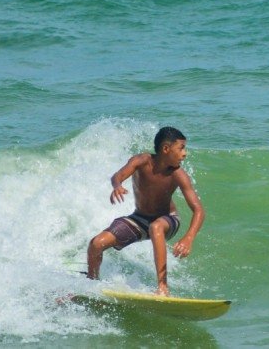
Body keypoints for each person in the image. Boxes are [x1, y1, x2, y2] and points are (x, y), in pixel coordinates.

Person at [86, 126, 205, 296]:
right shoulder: (141, 161)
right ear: (166, 149)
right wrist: (117, 186)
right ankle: (91, 283)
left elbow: (199, 210)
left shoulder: (178, 174)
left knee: (156, 227)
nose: (185, 153)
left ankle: (163, 288)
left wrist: (188, 238)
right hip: (139, 219)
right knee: (96, 243)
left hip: (167, 219)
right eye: (181, 148)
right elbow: (117, 176)